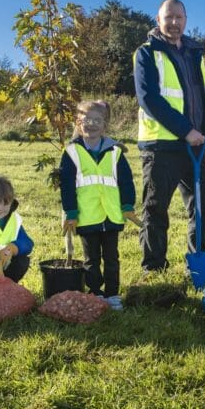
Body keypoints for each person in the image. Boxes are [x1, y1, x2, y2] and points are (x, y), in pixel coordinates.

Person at [133, 0, 205, 273]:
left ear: (186, 19)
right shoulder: (147, 53)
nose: (174, 23)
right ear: (158, 20)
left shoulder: (195, 52)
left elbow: (200, 96)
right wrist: (186, 130)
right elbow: (150, 99)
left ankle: (195, 262)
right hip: (161, 146)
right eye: (168, 17)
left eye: (179, 17)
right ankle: (154, 266)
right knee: (156, 209)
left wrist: (204, 132)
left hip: (196, 145)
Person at [60, 100, 137, 310]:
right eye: (86, 120)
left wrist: (127, 205)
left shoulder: (115, 151)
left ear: (105, 125)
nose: (92, 124)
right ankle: (95, 293)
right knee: (91, 259)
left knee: (112, 258)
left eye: (97, 120)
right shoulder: (71, 152)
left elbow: (126, 181)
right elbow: (66, 185)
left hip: (111, 215)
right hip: (86, 216)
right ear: (78, 122)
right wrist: (71, 212)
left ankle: (112, 295)